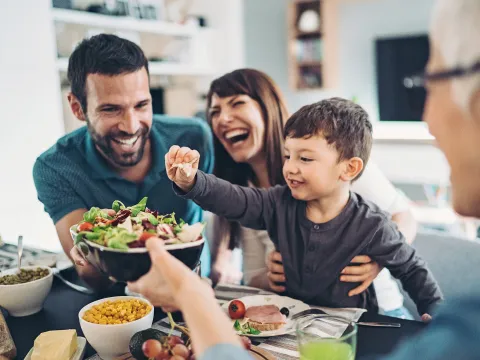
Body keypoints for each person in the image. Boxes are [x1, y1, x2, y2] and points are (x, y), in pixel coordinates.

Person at [166, 98, 442, 318]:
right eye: (288, 156)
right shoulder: (277, 203)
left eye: (305, 158)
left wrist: (434, 311)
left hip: (355, 329)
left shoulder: (373, 224)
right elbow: (235, 199)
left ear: (349, 168)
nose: (290, 168)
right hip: (295, 326)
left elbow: (412, 269)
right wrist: (192, 181)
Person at [206, 69, 417, 318]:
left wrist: (378, 261)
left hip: (379, 315)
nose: (223, 119)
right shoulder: (247, 192)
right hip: (311, 320)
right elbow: (254, 278)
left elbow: (404, 215)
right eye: (214, 112)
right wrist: (272, 277)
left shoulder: (333, 161)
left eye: (237, 103)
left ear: (268, 108)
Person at [32, 34, 214, 291]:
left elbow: (225, 199)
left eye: (141, 105)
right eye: (111, 109)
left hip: (194, 292)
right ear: (77, 108)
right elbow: (91, 274)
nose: (131, 126)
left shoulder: (195, 137)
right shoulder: (55, 168)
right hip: (115, 304)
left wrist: (225, 258)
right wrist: (88, 253)